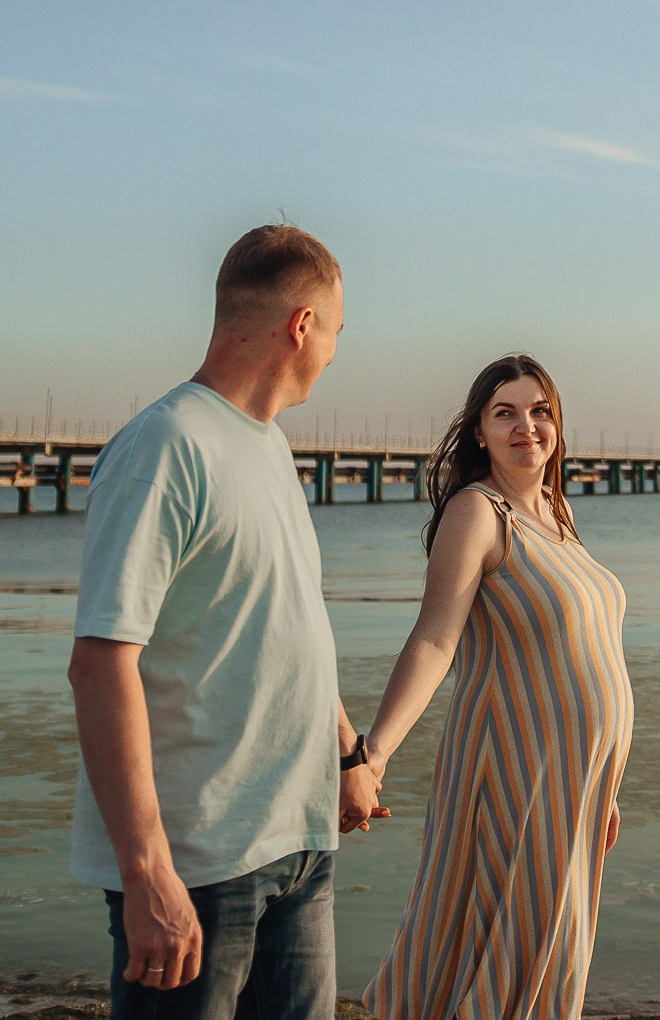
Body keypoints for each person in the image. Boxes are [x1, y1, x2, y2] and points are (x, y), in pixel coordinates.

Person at [68, 224, 383, 1019]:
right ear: (301, 325)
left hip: (299, 841)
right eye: (337, 331)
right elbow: (101, 663)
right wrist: (147, 873)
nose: (335, 353)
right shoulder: (165, 446)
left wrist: (346, 750)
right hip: (200, 861)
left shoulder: (270, 447)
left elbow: (281, 620)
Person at [362, 354, 634, 1020]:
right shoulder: (477, 512)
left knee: (551, 944)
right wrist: (374, 753)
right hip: (512, 770)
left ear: (558, 426)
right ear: (479, 432)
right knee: (500, 942)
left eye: (540, 411)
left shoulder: (556, 512)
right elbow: (435, 640)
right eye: (505, 413)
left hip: (572, 778)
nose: (526, 427)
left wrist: (605, 785)